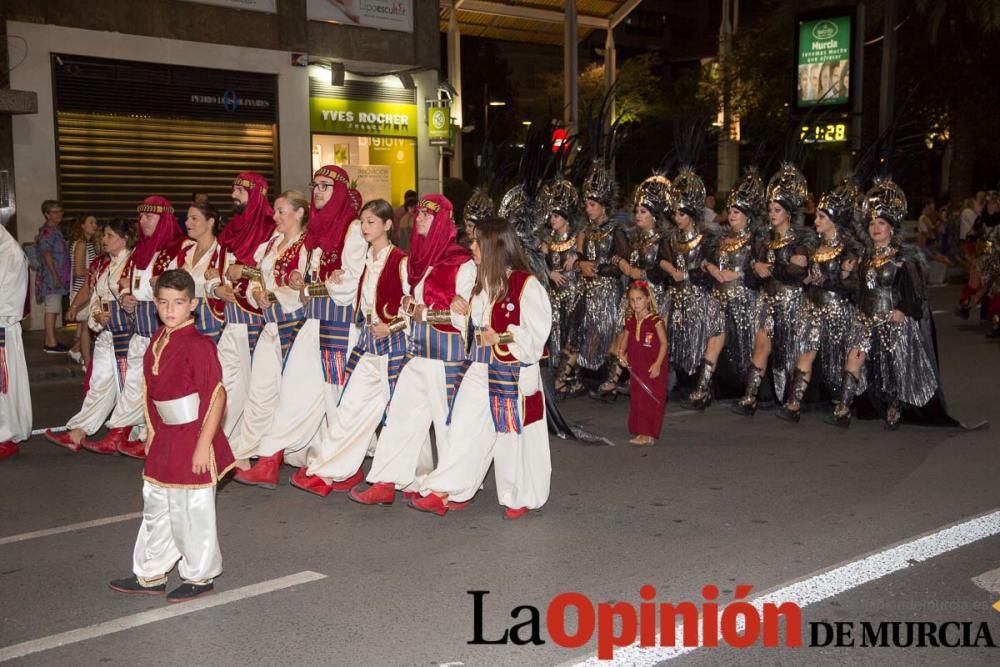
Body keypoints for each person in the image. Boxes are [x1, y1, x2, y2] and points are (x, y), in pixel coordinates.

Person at [410, 217, 551, 518]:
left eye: (477, 242)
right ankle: (446, 489)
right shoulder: (480, 285)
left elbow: (537, 335)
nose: (471, 246)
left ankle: (518, 496)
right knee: (462, 426)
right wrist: (460, 311)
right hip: (479, 367)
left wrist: (503, 337)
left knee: (511, 436)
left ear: (494, 246)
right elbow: (469, 328)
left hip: (512, 373)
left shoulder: (526, 284)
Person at [108, 269, 234, 602]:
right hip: (165, 435)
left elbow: (216, 395)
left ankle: (199, 575)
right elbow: (150, 389)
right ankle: (150, 572)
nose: (170, 309)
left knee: (191, 508)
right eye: (163, 302)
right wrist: (152, 431)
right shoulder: (158, 340)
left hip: (193, 433)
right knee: (156, 505)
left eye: (178, 302)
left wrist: (202, 446)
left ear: (193, 304)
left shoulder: (200, 345)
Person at [234, 167, 364, 487]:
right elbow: (311, 282)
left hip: (342, 324)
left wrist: (310, 287)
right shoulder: (318, 231)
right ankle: (269, 460)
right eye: (315, 186)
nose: (318, 191)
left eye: (326, 186)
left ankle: (343, 467)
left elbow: (347, 286)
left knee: (337, 399)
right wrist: (306, 284)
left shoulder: (354, 228)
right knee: (294, 391)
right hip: (315, 320)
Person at [349, 194, 474, 506]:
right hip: (416, 351)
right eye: (418, 213)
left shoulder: (462, 263)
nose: (419, 219)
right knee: (400, 415)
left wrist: (425, 313)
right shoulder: (417, 262)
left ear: (443, 221)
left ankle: (450, 489)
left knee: (448, 423)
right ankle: (386, 481)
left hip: (447, 355)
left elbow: (464, 316)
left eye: (427, 216)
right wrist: (408, 309)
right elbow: (407, 306)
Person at [291, 199, 410, 496]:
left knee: (398, 414)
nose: (365, 228)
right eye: (363, 222)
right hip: (368, 343)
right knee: (349, 408)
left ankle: (401, 479)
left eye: (372, 222)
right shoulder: (366, 260)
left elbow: (411, 304)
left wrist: (393, 325)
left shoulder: (400, 261)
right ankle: (328, 471)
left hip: (393, 345)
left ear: (387, 225)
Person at [826, 178, 953, 429]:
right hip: (864, 317)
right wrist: (845, 274)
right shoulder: (864, 257)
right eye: (872, 223)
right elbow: (857, 289)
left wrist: (902, 311)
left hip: (891, 318)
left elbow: (917, 295)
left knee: (893, 365)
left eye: (881, 223)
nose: (875, 228)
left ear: (892, 228)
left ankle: (895, 405)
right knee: (854, 357)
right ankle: (843, 407)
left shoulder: (904, 258)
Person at [86, 197, 184, 458]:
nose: (142, 222)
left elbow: (172, 286)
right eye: (141, 217)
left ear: (163, 219)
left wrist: (139, 290)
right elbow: (139, 286)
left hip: (162, 329)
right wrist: (131, 295)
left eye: (148, 217)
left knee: (160, 388)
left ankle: (145, 437)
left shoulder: (178, 247)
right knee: (135, 384)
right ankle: (125, 432)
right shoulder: (144, 249)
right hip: (141, 329)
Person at [227, 190, 308, 483]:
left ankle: (292, 457)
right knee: (260, 391)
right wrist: (256, 292)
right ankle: (246, 453)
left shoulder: (307, 246)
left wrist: (271, 294)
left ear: (299, 213)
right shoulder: (272, 244)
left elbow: (303, 289)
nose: (274, 217)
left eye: (281, 211)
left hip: (296, 328)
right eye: (274, 211)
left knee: (291, 397)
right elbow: (257, 281)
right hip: (271, 325)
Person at [45, 219, 136, 454]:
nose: (104, 239)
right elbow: (92, 290)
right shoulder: (103, 264)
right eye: (103, 235)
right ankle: (78, 433)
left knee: (126, 386)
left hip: (127, 337)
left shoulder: (134, 263)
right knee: (99, 385)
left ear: (124, 239)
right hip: (106, 333)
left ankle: (133, 435)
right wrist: (77, 306)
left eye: (109, 235)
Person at [776, 178, 861, 422]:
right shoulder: (816, 247)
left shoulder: (848, 250)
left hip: (839, 311)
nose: (816, 221)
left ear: (834, 220)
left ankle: (843, 407)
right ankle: (794, 403)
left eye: (822, 217)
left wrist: (823, 281)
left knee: (844, 359)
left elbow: (851, 284)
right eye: (817, 217)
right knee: (807, 351)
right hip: (814, 309)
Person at [732, 163, 811, 415]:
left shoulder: (800, 240)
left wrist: (771, 268)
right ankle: (750, 397)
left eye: (777, 210)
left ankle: (793, 401)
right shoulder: (764, 241)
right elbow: (755, 274)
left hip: (792, 301)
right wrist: (757, 269)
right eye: (769, 209)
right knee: (761, 345)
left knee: (792, 350)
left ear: (788, 213)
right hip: (767, 300)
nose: (772, 214)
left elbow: (799, 272)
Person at [684, 167, 765, 409]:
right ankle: (702, 389)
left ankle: (750, 394)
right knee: (714, 339)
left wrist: (738, 273)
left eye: (737, 212)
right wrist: (711, 268)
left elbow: (762, 270)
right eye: (730, 211)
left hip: (746, 302)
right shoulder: (718, 238)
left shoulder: (757, 240)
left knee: (748, 347)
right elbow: (703, 260)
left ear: (748, 216)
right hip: (719, 299)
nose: (731, 215)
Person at [590, 174, 670, 401]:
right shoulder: (635, 239)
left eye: (643, 212)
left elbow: (662, 270)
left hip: (651, 297)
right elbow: (621, 260)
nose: (637, 215)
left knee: (648, 341)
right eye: (636, 211)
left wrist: (635, 271)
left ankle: (644, 382)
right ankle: (613, 381)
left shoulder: (660, 241)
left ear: (654, 216)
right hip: (633, 295)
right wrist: (624, 265)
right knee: (623, 335)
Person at [207, 173, 273, 439]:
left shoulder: (271, 229)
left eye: (239, 190)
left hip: (255, 320)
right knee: (224, 383)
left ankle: (246, 444)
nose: (233, 194)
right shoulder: (231, 228)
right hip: (229, 319)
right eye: (232, 188)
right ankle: (225, 441)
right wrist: (216, 287)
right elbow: (216, 271)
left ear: (256, 193)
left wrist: (243, 271)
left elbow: (273, 273)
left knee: (251, 387)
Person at [556, 160, 628, 397]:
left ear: (603, 206)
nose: (588, 209)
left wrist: (594, 268)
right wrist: (578, 262)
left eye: (592, 204)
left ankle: (611, 381)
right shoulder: (584, 231)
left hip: (608, 292)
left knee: (607, 333)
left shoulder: (616, 230)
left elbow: (622, 265)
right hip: (585, 290)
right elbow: (578, 256)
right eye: (586, 204)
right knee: (576, 330)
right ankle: (567, 377)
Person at [660, 166, 720, 396]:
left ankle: (699, 385)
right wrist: (672, 269)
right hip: (674, 296)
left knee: (697, 340)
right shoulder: (672, 237)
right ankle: (671, 383)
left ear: (692, 215)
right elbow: (662, 260)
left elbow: (709, 264)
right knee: (671, 338)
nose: (677, 219)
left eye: (681, 214)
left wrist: (692, 273)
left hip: (698, 297)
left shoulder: (705, 239)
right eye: (674, 214)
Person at [620, 281, 669, 445]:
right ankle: (641, 432)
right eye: (632, 300)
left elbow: (664, 343)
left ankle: (649, 434)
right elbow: (624, 341)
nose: (635, 304)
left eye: (639, 299)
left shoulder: (656, 321)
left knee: (650, 399)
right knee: (638, 399)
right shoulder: (631, 321)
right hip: (637, 366)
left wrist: (657, 364)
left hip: (651, 366)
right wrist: (621, 353)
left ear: (647, 299)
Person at [0, 216, 31, 460]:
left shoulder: (9, 251)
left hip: (2, 328)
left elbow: (10, 299)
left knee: (3, 386)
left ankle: (4, 436)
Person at [172, 202, 225, 343]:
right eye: (188, 218)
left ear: (210, 222)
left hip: (212, 322)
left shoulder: (223, 253)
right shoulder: (185, 252)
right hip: (183, 321)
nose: (187, 222)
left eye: (194, 218)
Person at [35, 199, 71, 353]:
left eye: (60, 211)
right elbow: (47, 254)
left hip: (56, 275)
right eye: (55, 212)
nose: (59, 214)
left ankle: (51, 340)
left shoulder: (55, 230)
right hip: (51, 276)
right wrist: (55, 276)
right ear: (47, 214)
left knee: (54, 308)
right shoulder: (47, 231)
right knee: (52, 307)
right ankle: (50, 343)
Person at [66, 214, 99, 367]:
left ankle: (77, 351)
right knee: (88, 327)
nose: (95, 225)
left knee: (87, 327)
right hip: (82, 288)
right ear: (82, 226)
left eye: (95, 222)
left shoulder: (87, 243)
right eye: (91, 222)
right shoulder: (81, 244)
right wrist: (98, 271)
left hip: (86, 287)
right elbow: (79, 270)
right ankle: (86, 360)